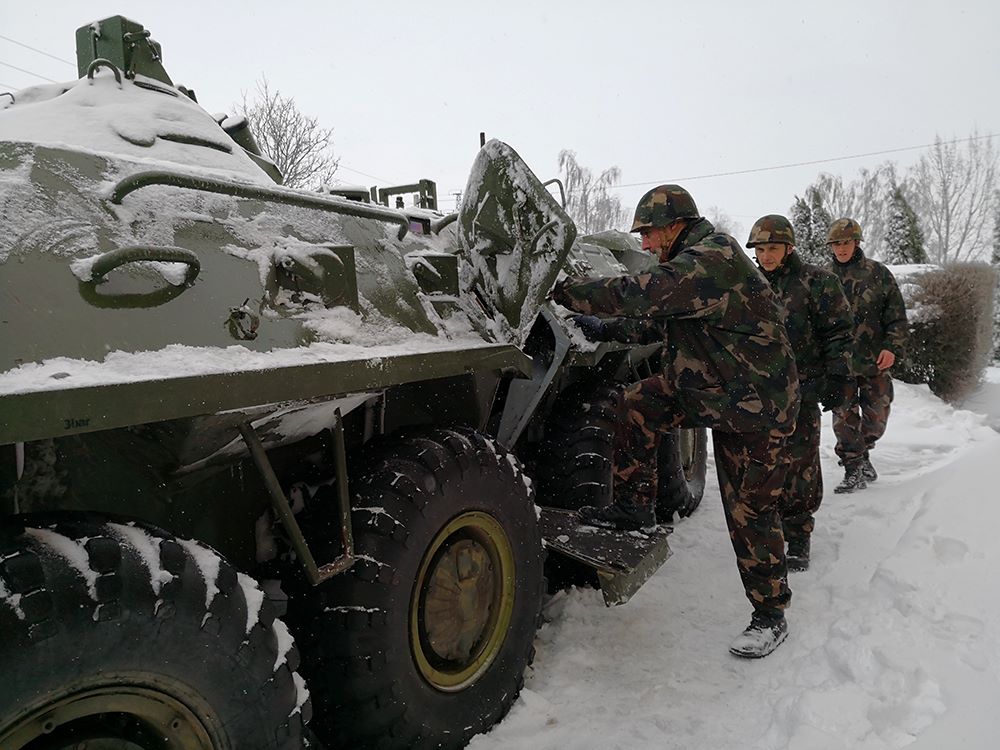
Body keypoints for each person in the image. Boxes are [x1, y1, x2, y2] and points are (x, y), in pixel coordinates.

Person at [552, 185, 800, 658]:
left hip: (753, 406)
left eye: (648, 234)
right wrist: (606, 329)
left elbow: (644, 294)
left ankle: (770, 615)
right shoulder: (691, 266)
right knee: (637, 404)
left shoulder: (713, 256)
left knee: (750, 512)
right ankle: (634, 509)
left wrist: (562, 290)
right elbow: (658, 322)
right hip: (706, 387)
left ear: (674, 226)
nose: (644, 245)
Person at [747, 215, 854, 572]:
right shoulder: (748, 283)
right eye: (760, 249)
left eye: (773, 248)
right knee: (763, 463)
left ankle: (799, 534)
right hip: (759, 393)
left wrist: (839, 377)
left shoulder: (817, 282)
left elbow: (838, 332)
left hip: (803, 389)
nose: (766, 255)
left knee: (801, 464)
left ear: (789, 247)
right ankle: (769, 528)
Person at [826, 218, 908, 493]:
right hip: (839, 364)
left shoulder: (878, 274)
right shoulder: (822, 278)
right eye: (836, 244)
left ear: (857, 242)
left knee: (876, 418)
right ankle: (853, 467)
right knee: (844, 418)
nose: (841, 249)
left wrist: (891, 347)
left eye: (846, 242)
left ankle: (864, 452)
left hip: (874, 361)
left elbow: (896, 317)